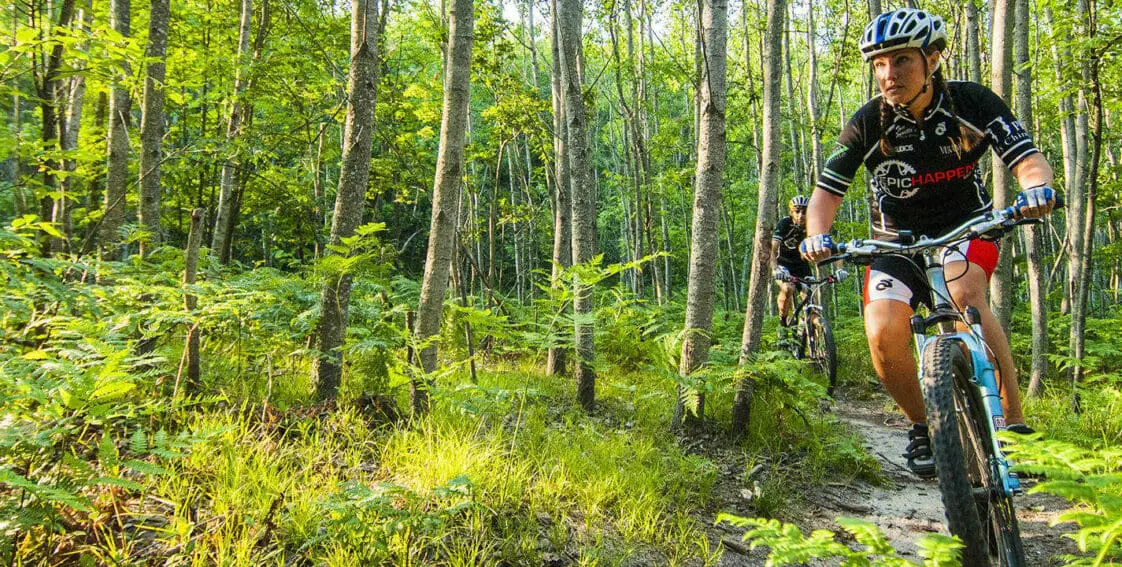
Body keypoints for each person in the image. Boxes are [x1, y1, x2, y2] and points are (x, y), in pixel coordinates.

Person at [799, 8, 1057, 478]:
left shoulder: (972, 103)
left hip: (968, 228)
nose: (888, 74)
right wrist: (817, 236)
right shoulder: (867, 123)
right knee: (881, 329)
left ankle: (1014, 426)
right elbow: (824, 196)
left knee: (965, 296)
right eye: (879, 64)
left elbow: (1029, 159)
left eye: (901, 60)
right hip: (894, 244)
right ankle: (924, 424)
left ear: (933, 58)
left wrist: (1036, 188)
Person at [772, 196, 812, 342]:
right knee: (788, 289)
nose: (801, 215)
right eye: (797, 211)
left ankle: (806, 331)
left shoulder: (812, 225)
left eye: (804, 212)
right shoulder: (785, 224)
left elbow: (830, 246)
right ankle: (782, 321)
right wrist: (775, 269)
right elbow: (772, 248)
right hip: (783, 264)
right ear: (791, 212)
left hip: (802, 265)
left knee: (810, 295)